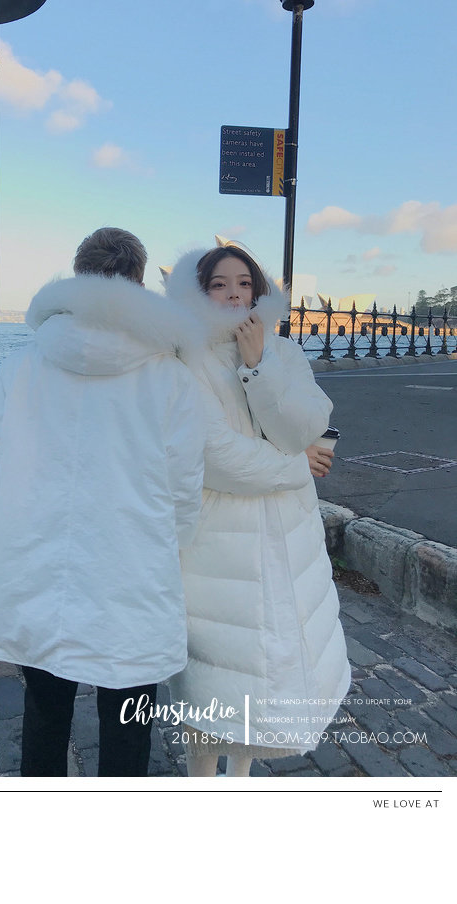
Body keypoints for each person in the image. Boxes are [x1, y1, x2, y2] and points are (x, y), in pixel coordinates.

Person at [0, 227, 207, 777]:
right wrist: (170, 543)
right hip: (132, 561)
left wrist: (15, 516)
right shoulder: (170, 375)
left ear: (77, 275)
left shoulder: (24, 363)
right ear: (139, 284)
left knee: (44, 705)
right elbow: (183, 479)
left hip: (38, 555)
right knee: (129, 711)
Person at [164, 236, 351, 777]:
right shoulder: (189, 359)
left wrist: (259, 365)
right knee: (215, 682)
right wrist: (296, 467)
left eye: (244, 283)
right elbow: (214, 456)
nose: (233, 294)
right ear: (199, 292)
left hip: (289, 537)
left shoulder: (283, 353)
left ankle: (240, 784)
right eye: (219, 284)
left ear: (259, 290)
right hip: (219, 541)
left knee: (270, 676)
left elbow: (304, 428)